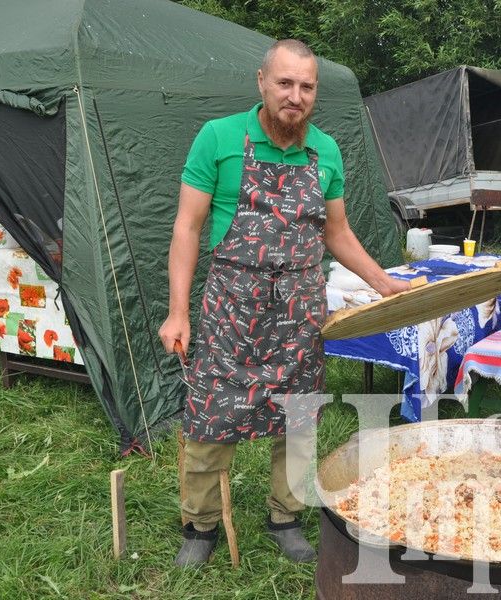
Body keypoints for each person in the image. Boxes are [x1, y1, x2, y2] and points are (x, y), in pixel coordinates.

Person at [158, 39, 410, 566]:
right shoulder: (220, 138)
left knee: (299, 416)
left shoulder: (326, 151)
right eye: (285, 83)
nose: (295, 96)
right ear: (262, 82)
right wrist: (178, 310)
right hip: (231, 306)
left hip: (300, 308)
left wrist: (383, 283)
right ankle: (200, 525)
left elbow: (336, 233)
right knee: (211, 415)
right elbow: (187, 227)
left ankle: (286, 514)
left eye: (307, 87)